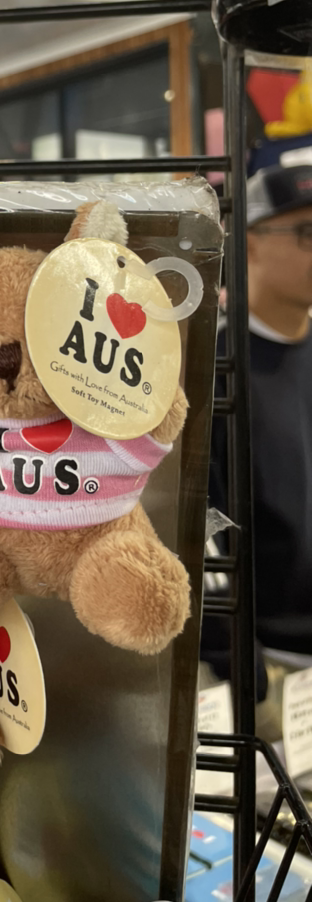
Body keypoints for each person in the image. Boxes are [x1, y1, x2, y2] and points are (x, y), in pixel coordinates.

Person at [205, 163, 312, 714]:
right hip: (269, 669)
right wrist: (238, 663)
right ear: (249, 243)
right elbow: (202, 533)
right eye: (306, 232)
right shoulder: (213, 371)